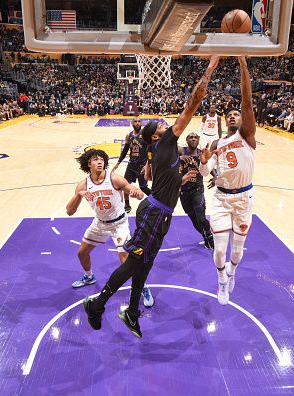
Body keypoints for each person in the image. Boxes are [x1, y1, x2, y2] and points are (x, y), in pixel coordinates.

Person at [83, 55, 221, 338]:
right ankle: (98, 304)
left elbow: (150, 179)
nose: (164, 123)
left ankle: (132, 313)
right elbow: (192, 103)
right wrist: (210, 67)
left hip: (158, 210)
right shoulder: (168, 140)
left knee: (145, 262)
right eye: (159, 124)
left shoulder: (160, 150)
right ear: (156, 136)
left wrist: (179, 180)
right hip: (156, 213)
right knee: (135, 261)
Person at [66, 149, 156, 306]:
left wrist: (136, 193)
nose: (100, 162)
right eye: (95, 159)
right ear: (89, 163)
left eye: (102, 159)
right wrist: (78, 195)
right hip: (99, 224)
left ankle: (143, 287)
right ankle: (89, 276)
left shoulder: (114, 178)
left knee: (126, 260)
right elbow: (69, 211)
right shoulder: (83, 184)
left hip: (119, 224)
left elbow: (138, 193)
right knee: (82, 253)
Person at [199, 56, 256, 305]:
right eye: (229, 114)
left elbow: (248, 102)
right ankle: (222, 279)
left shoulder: (248, 136)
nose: (233, 116)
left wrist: (243, 65)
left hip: (244, 198)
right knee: (220, 250)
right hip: (222, 198)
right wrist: (203, 161)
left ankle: (232, 271)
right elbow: (204, 173)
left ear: (243, 119)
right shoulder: (216, 143)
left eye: (236, 114)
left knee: (236, 251)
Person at [179, 132, 214, 249]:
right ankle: (205, 236)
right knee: (194, 219)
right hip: (183, 191)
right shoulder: (180, 151)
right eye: (190, 137)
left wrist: (216, 177)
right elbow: (168, 159)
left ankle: (209, 234)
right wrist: (179, 158)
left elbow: (209, 167)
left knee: (201, 217)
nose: (193, 139)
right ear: (187, 140)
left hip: (197, 190)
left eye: (195, 137)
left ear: (198, 140)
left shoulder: (201, 153)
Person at [113, 117, 151, 214]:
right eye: (135, 121)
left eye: (139, 121)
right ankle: (127, 204)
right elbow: (125, 150)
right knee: (125, 185)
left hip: (142, 166)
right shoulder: (128, 136)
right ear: (132, 123)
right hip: (131, 165)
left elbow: (151, 150)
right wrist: (118, 163)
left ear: (141, 123)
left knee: (143, 187)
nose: (137, 123)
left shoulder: (145, 135)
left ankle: (156, 201)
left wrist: (148, 165)